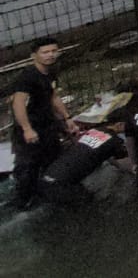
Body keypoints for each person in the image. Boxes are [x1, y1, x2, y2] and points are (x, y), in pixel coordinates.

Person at [8, 37, 81, 211]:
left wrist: (67, 117)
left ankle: (50, 194)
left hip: (48, 126)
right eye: (45, 52)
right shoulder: (27, 77)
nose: (51, 55)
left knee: (53, 160)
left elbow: (53, 95)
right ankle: (22, 202)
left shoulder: (50, 72)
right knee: (28, 166)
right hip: (30, 128)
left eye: (54, 51)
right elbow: (18, 103)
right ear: (34, 55)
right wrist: (27, 129)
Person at [38, 109, 133, 205]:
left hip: (45, 179)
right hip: (61, 188)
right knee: (92, 204)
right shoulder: (115, 142)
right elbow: (128, 158)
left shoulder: (93, 130)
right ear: (119, 124)